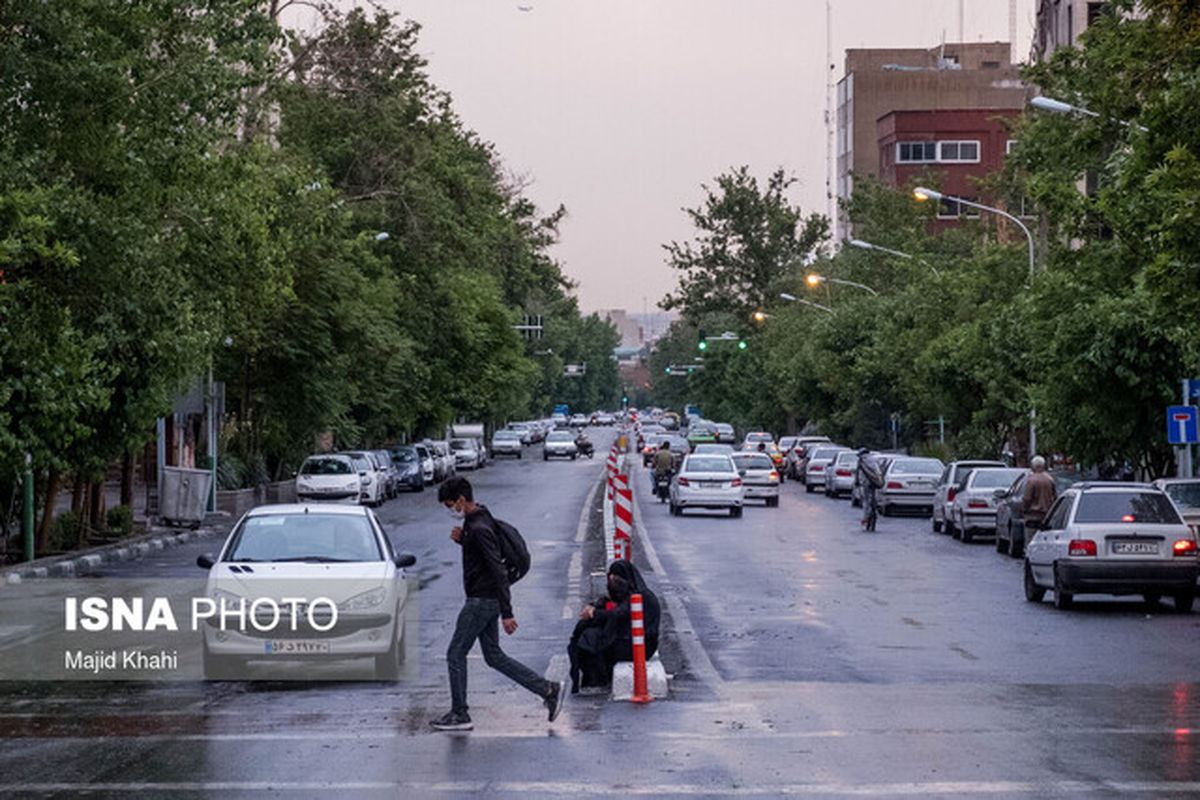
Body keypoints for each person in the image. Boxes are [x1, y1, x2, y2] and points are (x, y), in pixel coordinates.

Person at [431, 476, 565, 731]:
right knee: (493, 656)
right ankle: (547, 690)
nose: (450, 511)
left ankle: (460, 714)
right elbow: (483, 559)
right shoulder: (478, 520)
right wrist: (463, 540)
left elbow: (497, 570)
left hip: (481, 601)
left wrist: (507, 612)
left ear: (461, 500)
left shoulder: (479, 528)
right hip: (486, 598)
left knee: (455, 653)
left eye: (451, 505)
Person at [567, 559, 660, 693]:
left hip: (640, 646)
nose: (612, 582)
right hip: (627, 639)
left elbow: (620, 613)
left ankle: (598, 679)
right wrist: (594, 609)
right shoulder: (627, 592)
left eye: (615, 578)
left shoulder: (641, 596)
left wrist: (595, 613)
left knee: (591, 639)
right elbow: (611, 606)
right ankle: (594, 678)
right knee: (587, 634)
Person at [1022, 455, 1057, 534]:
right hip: (1047, 514)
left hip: (1033, 515)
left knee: (1031, 537)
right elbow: (1055, 496)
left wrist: (1024, 509)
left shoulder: (1031, 480)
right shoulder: (1050, 479)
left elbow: (1027, 498)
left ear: (1033, 466)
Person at [856, 448, 883, 528]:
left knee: (866, 501)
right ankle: (876, 508)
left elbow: (858, 475)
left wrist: (857, 483)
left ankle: (865, 518)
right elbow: (879, 472)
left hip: (865, 483)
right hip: (875, 482)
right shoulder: (874, 460)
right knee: (875, 498)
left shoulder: (861, 461)